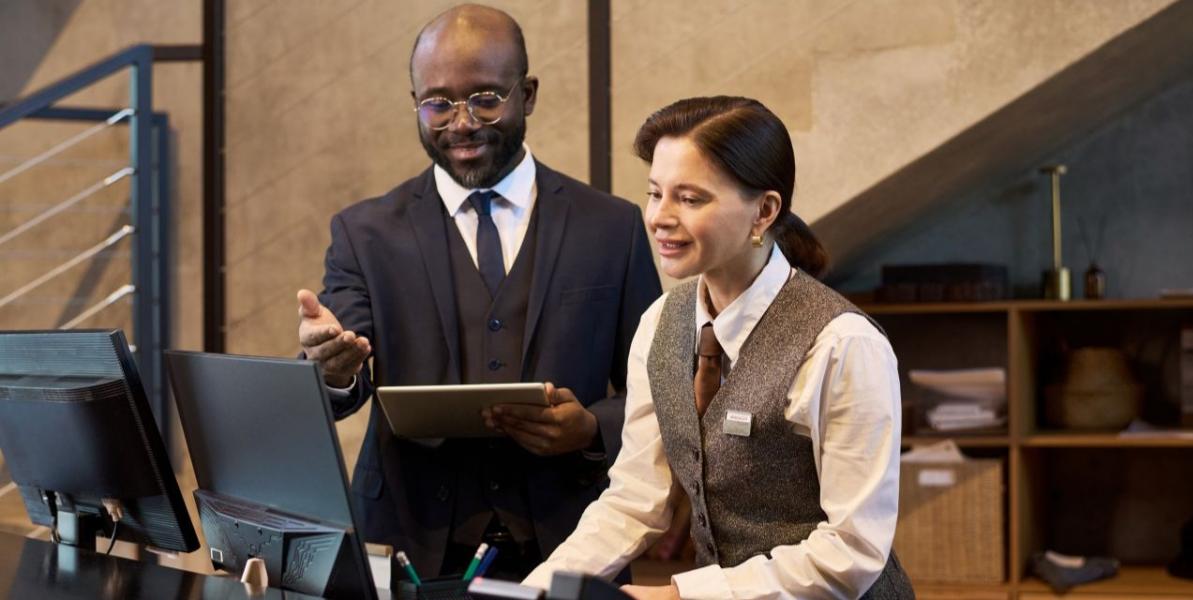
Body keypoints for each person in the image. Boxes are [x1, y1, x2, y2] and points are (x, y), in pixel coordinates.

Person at [294, 4, 660, 581]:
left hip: (573, 541)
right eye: (437, 103)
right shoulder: (364, 232)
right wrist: (333, 367)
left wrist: (592, 428)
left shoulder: (611, 227)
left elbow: (656, 388)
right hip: (413, 546)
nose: (460, 123)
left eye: (486, 98)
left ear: (528, 94)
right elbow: (342, 381)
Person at [523, 96, 915, 599]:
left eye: (690, 199)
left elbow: (853, 551)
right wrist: (538, 591)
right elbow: (635, 499)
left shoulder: (844, 345)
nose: (660, 218)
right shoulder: (660, 323)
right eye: (655, 193)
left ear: (764, 211)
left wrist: (678, 596)